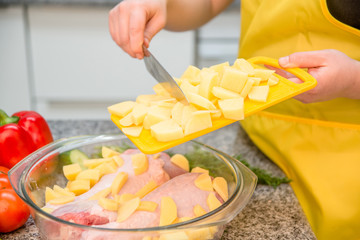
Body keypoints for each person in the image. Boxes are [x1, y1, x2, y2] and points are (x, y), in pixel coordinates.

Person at [108, 0, 360, 239]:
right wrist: (163, 4)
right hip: (257, 140)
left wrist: (353, 79)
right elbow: (206, 4)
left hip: (344, 166)